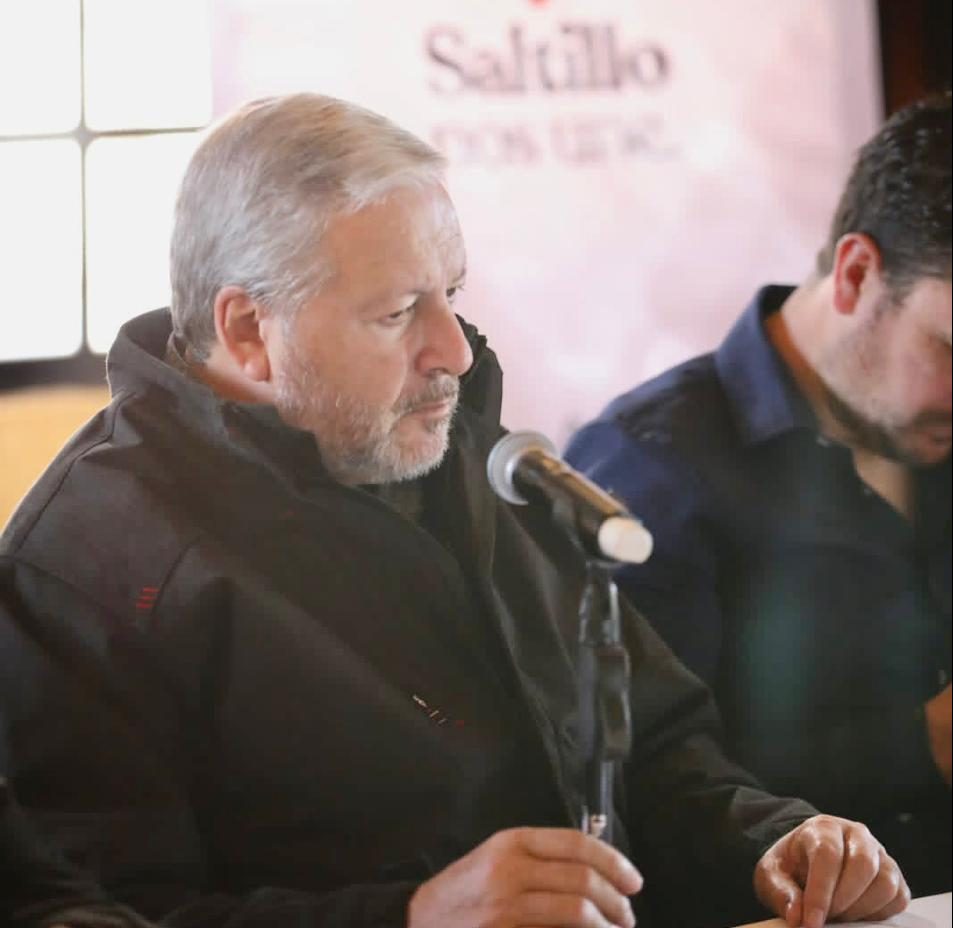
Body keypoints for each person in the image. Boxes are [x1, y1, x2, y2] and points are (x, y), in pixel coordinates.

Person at [0, 93, 910, 928]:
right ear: (248, 331)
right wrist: (412, 918)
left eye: (452, 296)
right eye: (398, 312)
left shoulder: (470, 453)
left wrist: (771, 843)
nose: (456, 353)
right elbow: (99, 914)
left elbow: (658, 750)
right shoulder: (87, 568)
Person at [565, 93, 951, 897]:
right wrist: (923, 742)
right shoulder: (648, 470)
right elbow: (644, 786)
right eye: (948, 348)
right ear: (855, 274)